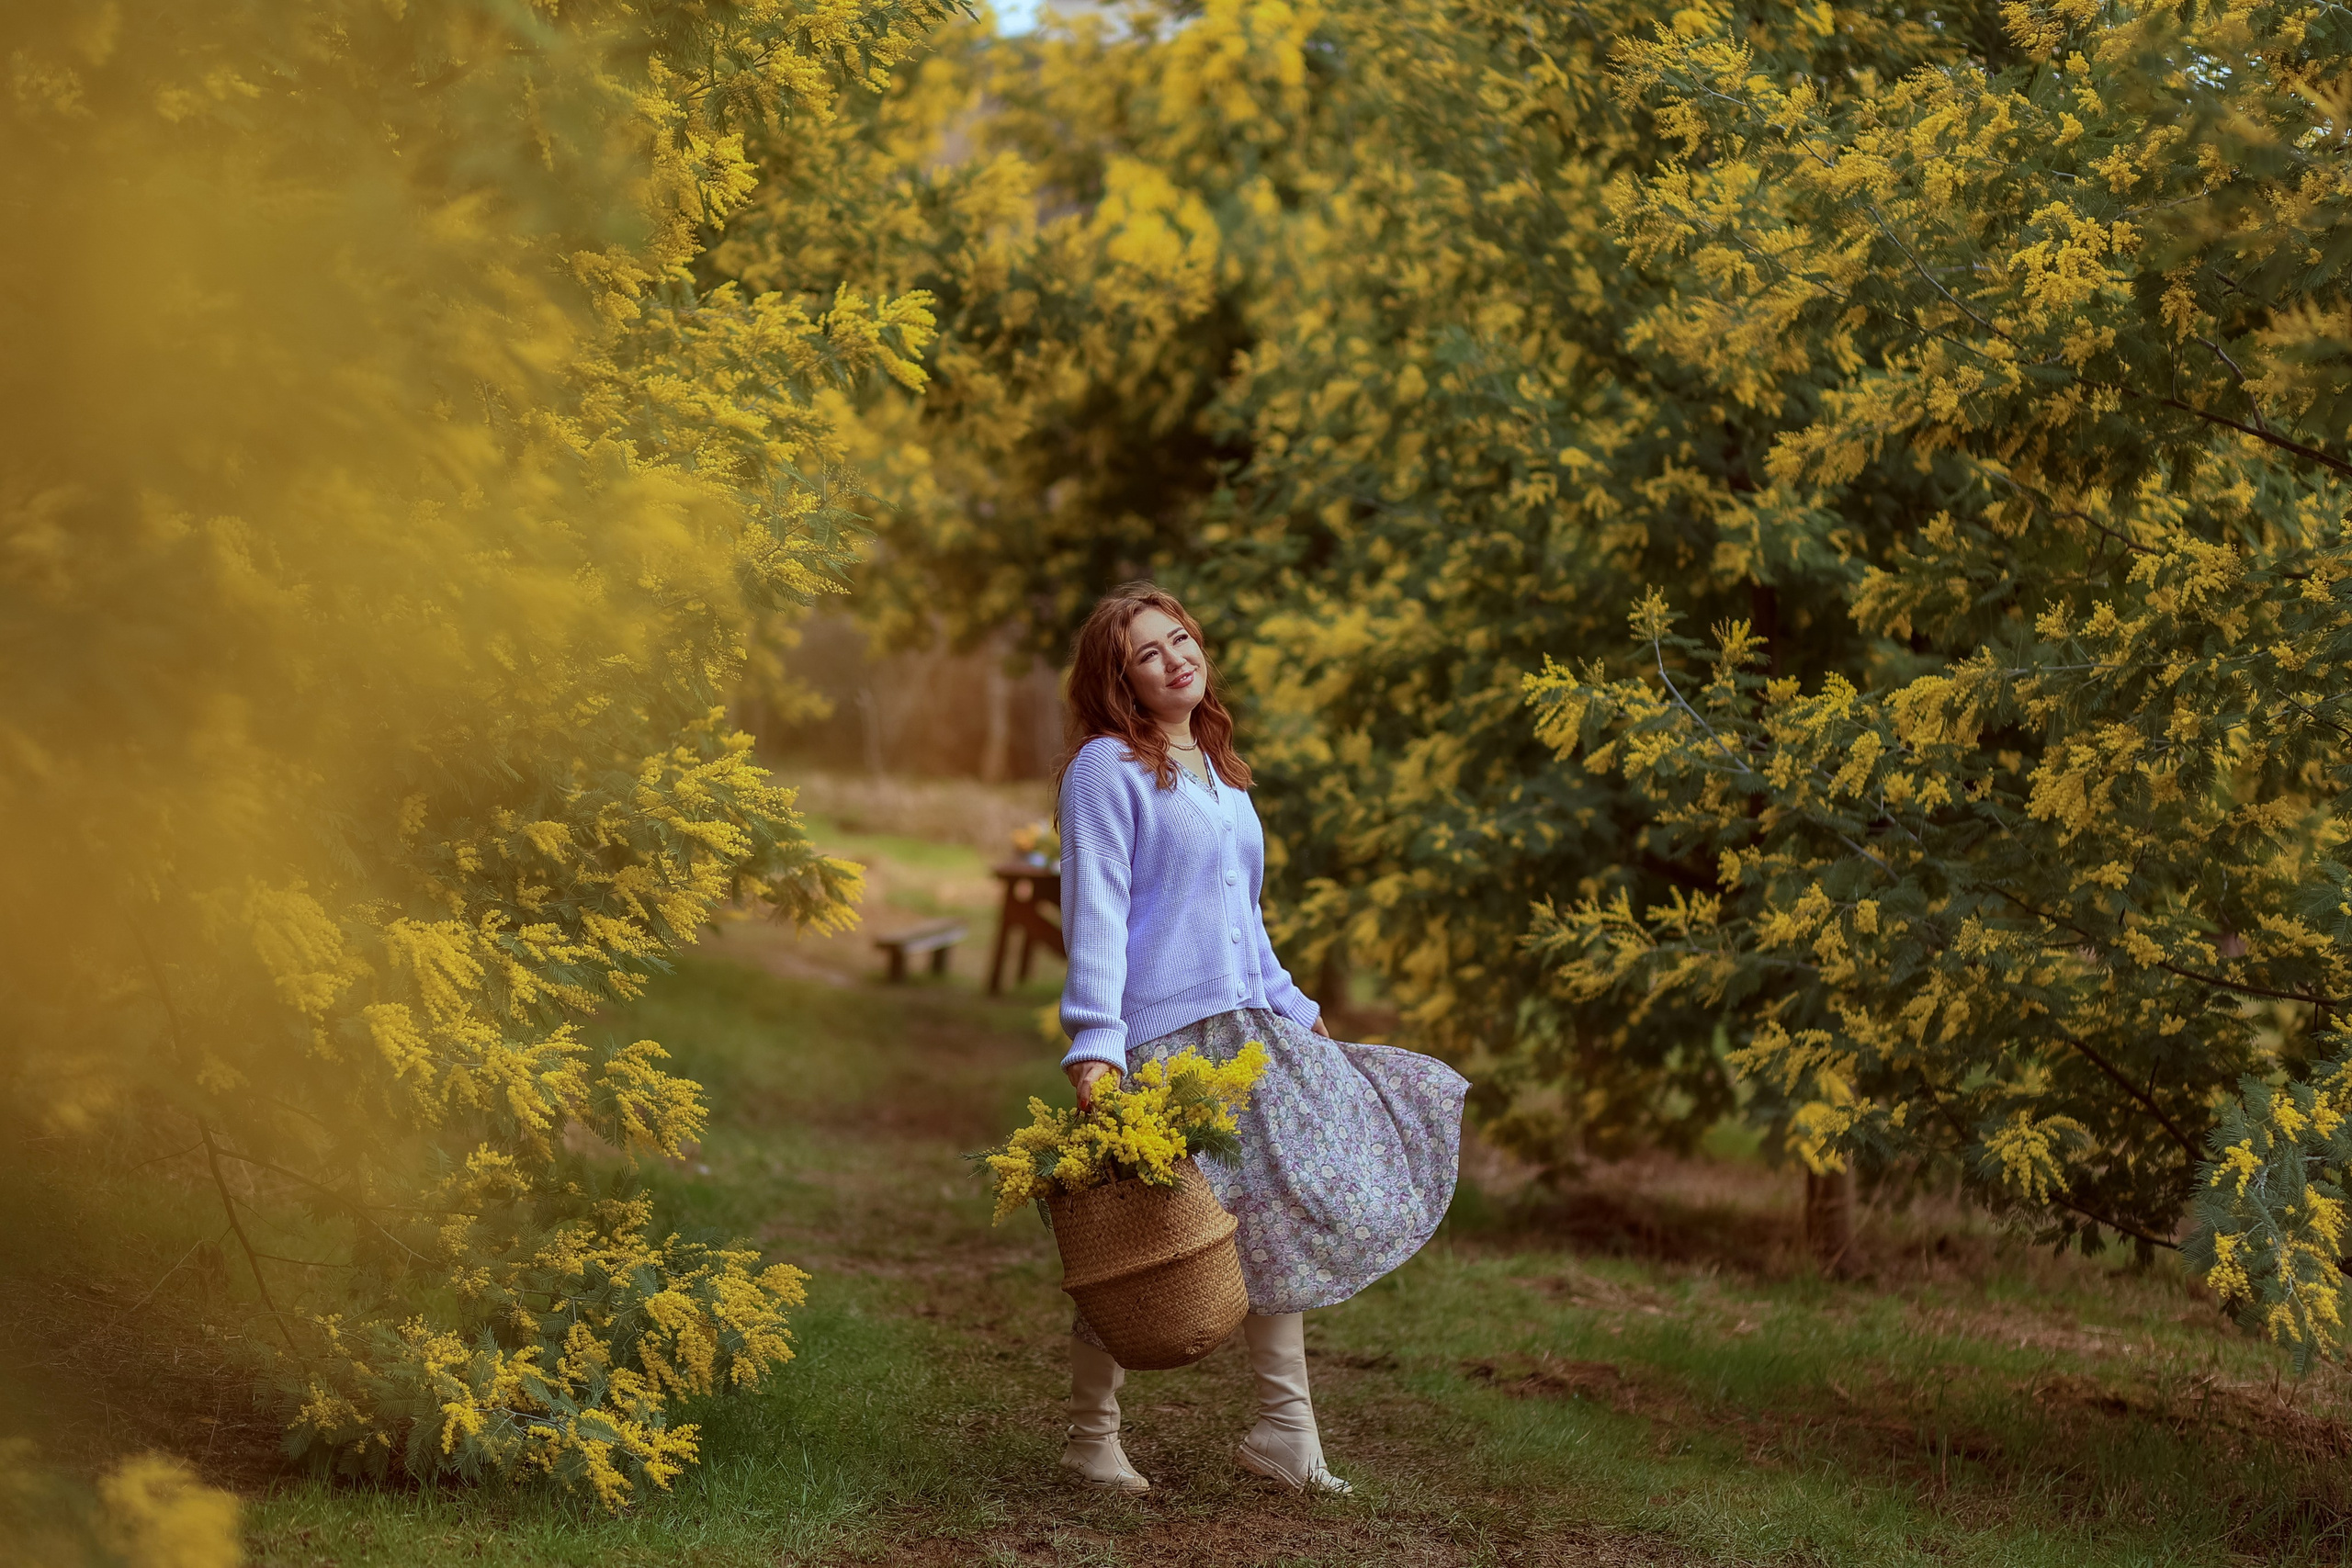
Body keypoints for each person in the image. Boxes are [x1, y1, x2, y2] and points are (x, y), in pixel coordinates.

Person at [1051, 582, 1470, 1496]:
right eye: (1148, 653)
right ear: (1120, 681)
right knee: (1145, 1236)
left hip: (1247, 1030)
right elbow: (1096, 912)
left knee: (1272, 1221)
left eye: (1180, 639)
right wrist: (1096, 1045)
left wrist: (1292, 1001)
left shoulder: (1217, 767)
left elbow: (1242, 913)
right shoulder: (1103, 769)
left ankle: (1287, 1433)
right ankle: (1091, 1436)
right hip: (1163, 1039)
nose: (1175, 659)